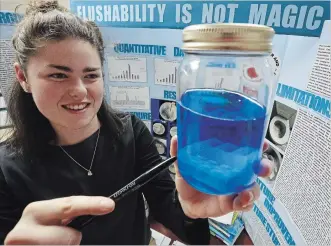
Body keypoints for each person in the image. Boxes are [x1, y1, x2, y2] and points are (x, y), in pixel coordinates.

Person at [0, 0, 273, 244]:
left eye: (91, 75)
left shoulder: (130, 131)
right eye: (59, 76)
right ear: (23, 77)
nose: (80, 91)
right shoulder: (6, 168)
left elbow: (172, 213)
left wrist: (192, 213)